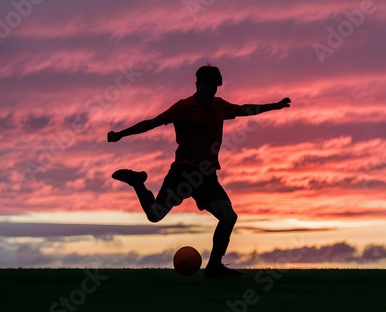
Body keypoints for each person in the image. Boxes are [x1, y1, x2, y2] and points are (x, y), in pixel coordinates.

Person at [107, 64, 290, 277]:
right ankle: (138, 182)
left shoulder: (219, 106)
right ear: (197, 85)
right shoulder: (183, 107)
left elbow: (245, 109)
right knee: (154, 216)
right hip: (183, 172)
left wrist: (274, 106)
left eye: (214, 89)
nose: (210, 92)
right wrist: (121, 134)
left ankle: (214, 267)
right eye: (206, 88)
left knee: (229, 217)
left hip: (206, 176)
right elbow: (152, 123)